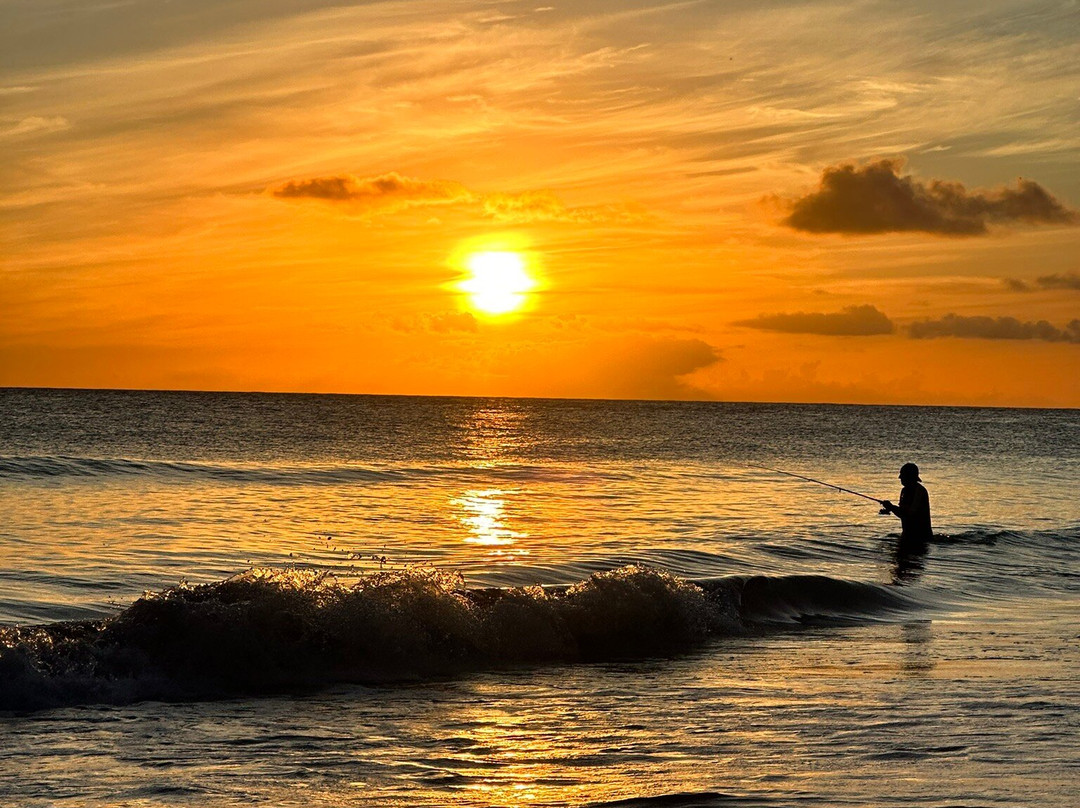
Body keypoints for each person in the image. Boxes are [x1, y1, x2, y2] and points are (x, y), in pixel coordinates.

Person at [880, 462, 933, 545]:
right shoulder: (904, 491)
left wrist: (892, 507)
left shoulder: (919, 491)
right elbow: (903, 512)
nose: (899, 477)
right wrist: (890, 509)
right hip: (907, 537)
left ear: (909, 476)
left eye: (902, 474)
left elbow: (910, 513)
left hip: (921, 538)